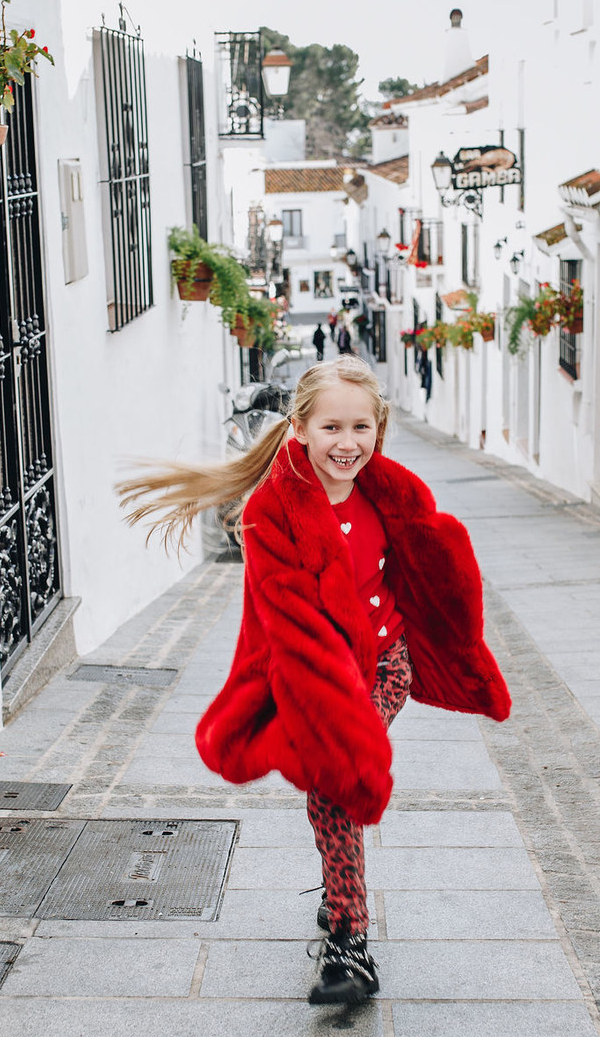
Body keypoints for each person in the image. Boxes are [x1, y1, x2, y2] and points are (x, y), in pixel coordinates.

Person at [117, 356, 512, 1004]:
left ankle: (350, 942)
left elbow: (426, 564)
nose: (347, 442)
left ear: (378, 430)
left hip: (386, 661)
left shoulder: (394, 491)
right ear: (299, 427)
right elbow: (290, 624)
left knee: (333, 788)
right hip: (313, 667)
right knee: (335, 776)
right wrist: (332, 722)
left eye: (361, 427)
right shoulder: (272, 511)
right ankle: (342, 904)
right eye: (332, 427)